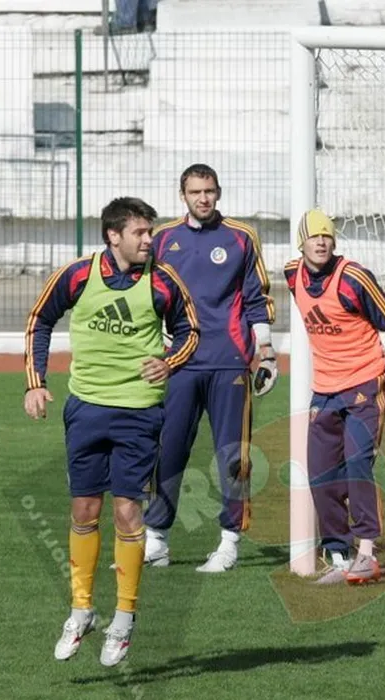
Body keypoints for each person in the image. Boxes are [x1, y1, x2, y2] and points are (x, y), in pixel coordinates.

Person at [24, 197, 199, 666]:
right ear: (113, 236)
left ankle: (123, 619)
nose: (149, 240)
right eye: (140, 232)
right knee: (84, 509)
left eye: (151, 231)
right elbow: (40, 319)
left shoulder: (162, 280)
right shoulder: (78, 275)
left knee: (127, 513)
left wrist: (169, 361)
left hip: (139, 413)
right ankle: (81, 610)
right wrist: (36, 382)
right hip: (85, 409)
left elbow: (190, 332)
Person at [143, 163, 277, 573]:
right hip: (179, 364)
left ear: (219, 192)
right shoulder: (163, 239)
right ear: (182, 195)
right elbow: (147, 297)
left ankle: (229, 542)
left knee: (232, 456)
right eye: (195, 192)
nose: (203, 198)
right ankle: (156, 539)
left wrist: (266, 350)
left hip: (229, 362)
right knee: (168, 450)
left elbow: (256, 297)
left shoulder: (241, 236)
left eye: (209, 191)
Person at [284, 210, 385, 584]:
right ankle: (339, 555)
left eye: (327, 236)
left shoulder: (353, 278)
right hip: (323, 391)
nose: (321, 242)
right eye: (314, 236)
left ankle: (367, 553)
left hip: (364, 385)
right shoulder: (292, 275)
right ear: (302, 243)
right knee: (320, 473)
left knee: (358, 463)